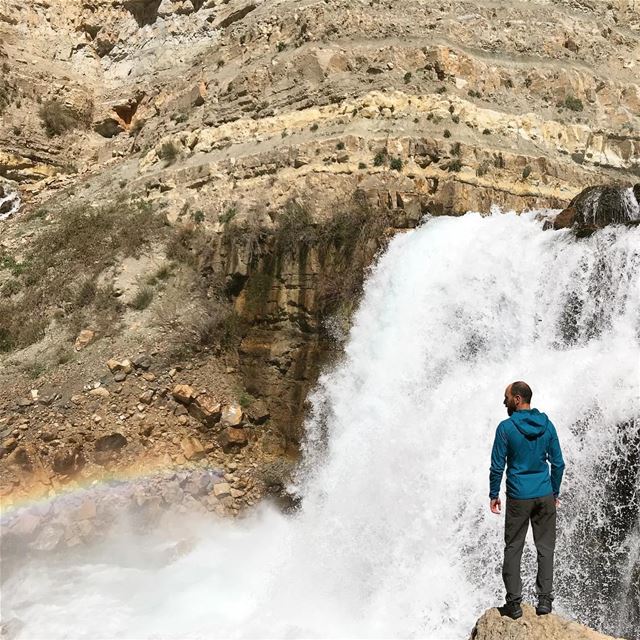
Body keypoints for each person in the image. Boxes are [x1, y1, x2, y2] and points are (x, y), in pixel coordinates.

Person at [489, 381, 565, 619]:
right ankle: (544, 602)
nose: (504, 402)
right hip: (543, 495)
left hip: (518, 496)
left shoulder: (506, 428)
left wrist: (494, 494)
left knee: (513, 548)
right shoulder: (547, 425)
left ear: (518, 399)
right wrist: (554, 492)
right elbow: (559, 463)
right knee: (546, 548)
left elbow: (497, 466)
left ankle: (514, 604)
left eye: (506, 397)